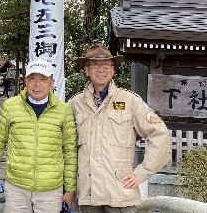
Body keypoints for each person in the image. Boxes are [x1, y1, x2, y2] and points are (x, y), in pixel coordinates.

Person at [69, 44, 171, 213]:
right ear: (86, 70)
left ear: (113, 69)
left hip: (120, 193)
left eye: (106, 64)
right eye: (94, 64)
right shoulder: (75, 104)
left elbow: (160, 134)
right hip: (88, 195)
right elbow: (67, 147)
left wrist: (142, 173)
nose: (101, 69)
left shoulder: (130, 101)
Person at [0, 59, 77, 212]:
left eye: (43, 79)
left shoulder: (64, 110)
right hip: (16, 188)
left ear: (52, 82)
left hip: (51, 190)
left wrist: (70, 189)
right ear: (25, 81)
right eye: (32, 78)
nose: (37, 84)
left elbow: (70, 151)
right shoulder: (11, 106)